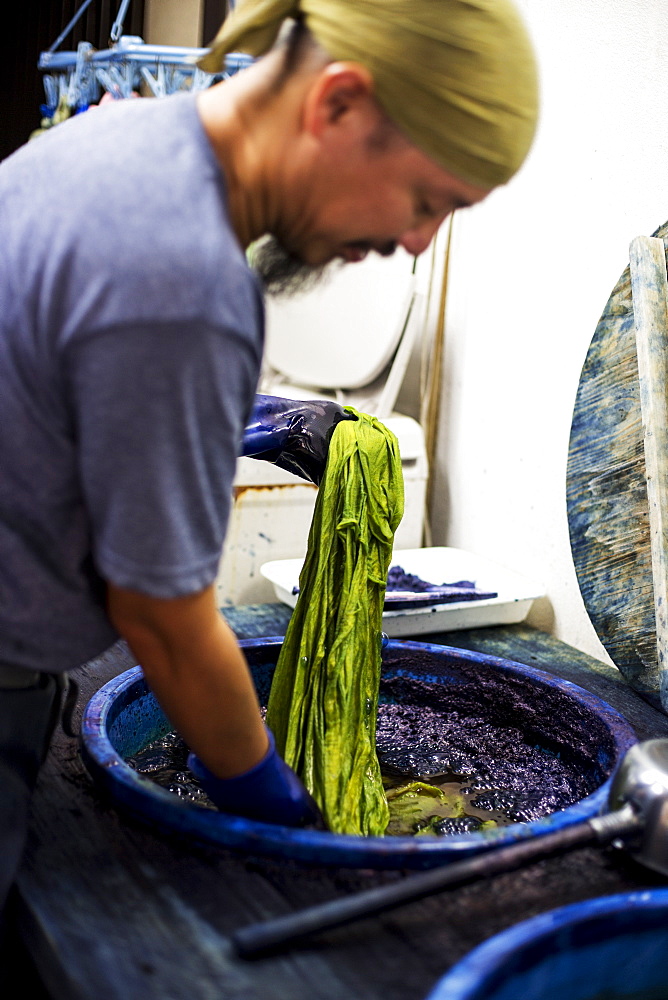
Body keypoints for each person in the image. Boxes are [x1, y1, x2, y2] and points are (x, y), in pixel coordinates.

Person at [0, 0, 538, 922]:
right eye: (428, 200)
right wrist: (290, 819)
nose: (416, 242)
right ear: (338, 104)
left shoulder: (117, 141)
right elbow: (163, 620)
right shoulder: (184, 277)